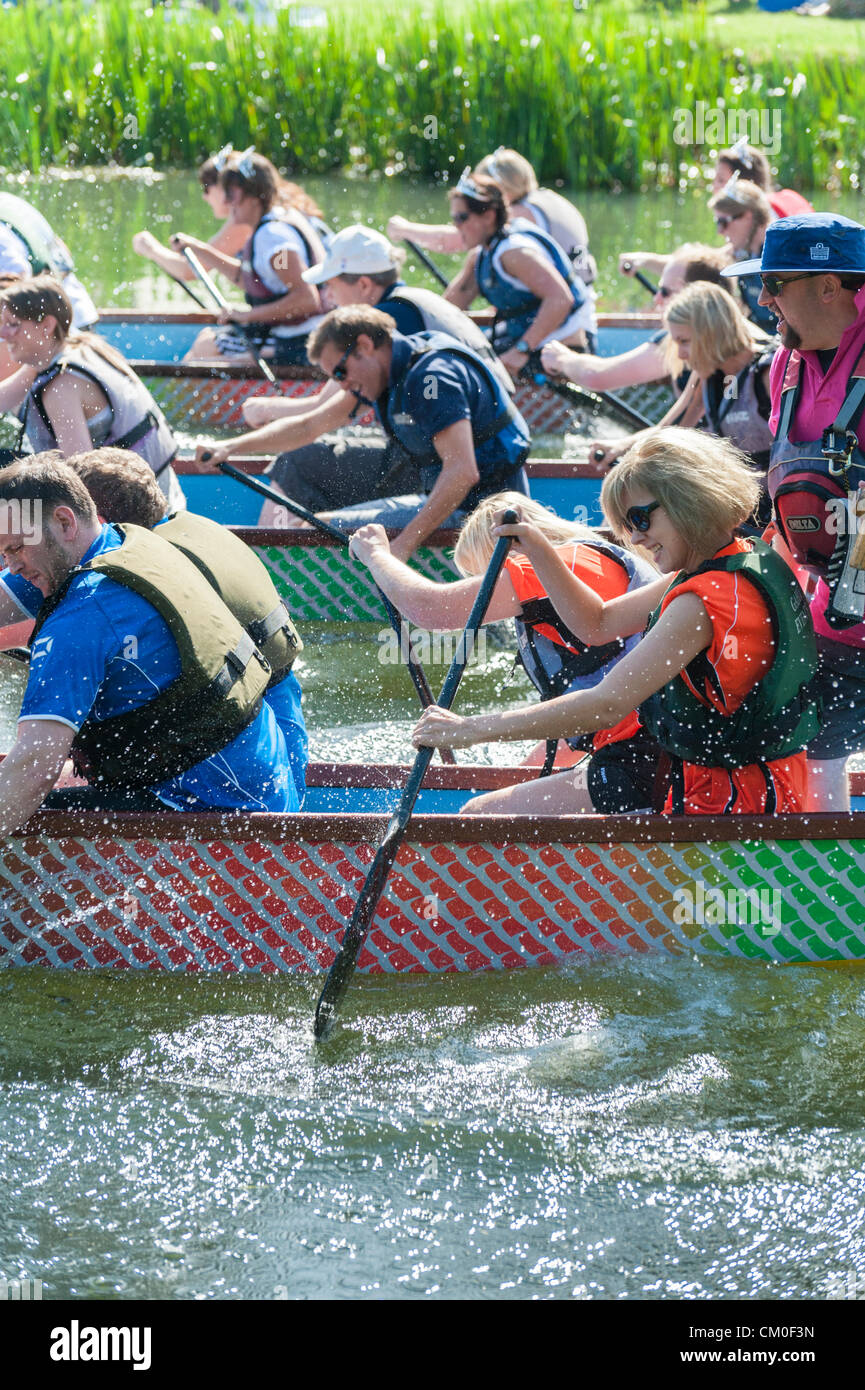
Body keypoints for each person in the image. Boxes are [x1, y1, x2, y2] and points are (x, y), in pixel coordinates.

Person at [411, 429, 818, 818]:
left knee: (479, 818)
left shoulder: (698, 604)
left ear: (689, 500)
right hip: (763, 785)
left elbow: (604, 706)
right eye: (626, 527)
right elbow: (597, 622)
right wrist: (536, 546)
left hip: (729, 802)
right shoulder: (736, 558)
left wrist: (469, 729)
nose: (635, 540)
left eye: (640, 520)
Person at [0, 457, 299, 828]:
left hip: (221, 818)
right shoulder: (129, 543)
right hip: (268, 791)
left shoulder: (81, 619)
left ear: (64, 522)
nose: (10, 566)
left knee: (27, 807)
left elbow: (32, 771)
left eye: (16, 549)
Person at [349, 491, 663, 809]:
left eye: (483, 577)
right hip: (652, 754)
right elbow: (587, 718)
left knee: (477, 815)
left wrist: (376, 554)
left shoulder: (556, 564)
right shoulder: (593, 563)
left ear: (504, 551)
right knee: (500, 801)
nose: (486, 591)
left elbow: (431, 609)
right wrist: (519, 781)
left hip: (644, 761)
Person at [63, 447, 308, 802]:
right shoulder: (195, 532)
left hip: (230, 783)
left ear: (95, 519)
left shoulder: (137, 582)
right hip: (276, 746)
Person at [721, 212, 865, 813]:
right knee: (812, 772)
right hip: (829, 617)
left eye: (774, 282)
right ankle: (829, 897)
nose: (761, 298)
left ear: (829, 286)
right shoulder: (782, 366)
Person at [231, 225, 513, 525]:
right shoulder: (413, 301)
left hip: (457, 467)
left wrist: (269, 408)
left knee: (297, 463)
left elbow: (323, 413)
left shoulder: (391, 324)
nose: (327, 296)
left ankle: (277, 554)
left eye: (331, 284)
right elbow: (331, 408)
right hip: (480, 451)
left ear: (364, 285)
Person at [0, 275, 184, 509]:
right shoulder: (78, 346)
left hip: (142, 514)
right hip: (165, 494)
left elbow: (78, 479)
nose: (3, 333)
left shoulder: (62, 387)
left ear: (47, 325)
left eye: (13, 324)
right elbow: (4, 397)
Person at [591, 282, 776, 488]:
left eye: (684, 341)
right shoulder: (711, 374)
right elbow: (671, 430)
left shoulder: (769, 374)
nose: (680, 354)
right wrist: (623, 446)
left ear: (712, 334)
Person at [542, 243, 731, 440]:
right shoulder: (729, 328)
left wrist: (561, 358)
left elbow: (598, 377)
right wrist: (645, 260)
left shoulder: (684, 342)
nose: (657, 299)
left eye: (665, 292)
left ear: (694, 296)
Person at [170, 150, 326, 364]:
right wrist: (197, 248)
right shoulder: (273, 222)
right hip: (292, 333)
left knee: (203, 351)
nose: (226, 202)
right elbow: (251, 280)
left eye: (231, 194)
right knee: (206, 339)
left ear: (254, 197)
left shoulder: (273, 238)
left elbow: (307, 299)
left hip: (303, 340)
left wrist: (246, 316)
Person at [441, 169, 595, 370]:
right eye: (453, 218)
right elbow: (448, 309)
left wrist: (521, 350)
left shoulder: (515, 253)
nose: (456, 226)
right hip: (531, 340)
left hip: (566, 348)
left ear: (488, 216)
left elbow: (560, 299)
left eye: (462, 218)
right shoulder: (481, 255)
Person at [387, 147, 595, 282]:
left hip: (565, 311)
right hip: (578, 292)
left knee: (477, 255)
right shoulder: (549, 198)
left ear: (498, 188)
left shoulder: (521, 214)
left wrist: (407, 230)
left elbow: (458, 240)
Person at [132, 147, 255, 288]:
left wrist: (150, 248)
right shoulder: (249, 214)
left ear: (226, 188)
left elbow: (189, 270)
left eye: (206, 188)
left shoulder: (243, 222)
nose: (204, 196)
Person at [0, 190, 98, 330]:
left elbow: (18, 279)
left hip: (61, 327)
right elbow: (65, 252)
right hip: (81, 311)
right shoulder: (9, 203)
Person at [708, 176, 777, 333]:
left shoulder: (779, 260)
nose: (720, 231)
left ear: (747, 216)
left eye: (723, 222)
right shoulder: (747, 256)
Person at [711, 140, 814, 220]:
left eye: (721, 180)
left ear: (745, 185)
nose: (714, 186)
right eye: (714, 179)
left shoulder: (753, 217)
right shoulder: (788, 197)